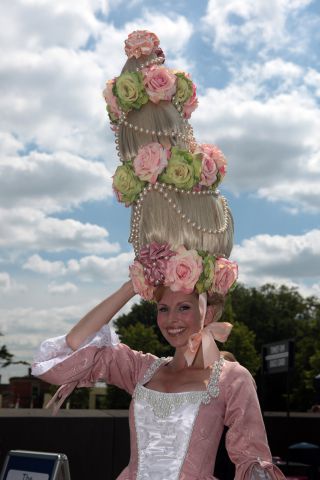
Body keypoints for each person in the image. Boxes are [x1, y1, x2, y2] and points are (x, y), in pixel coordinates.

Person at [32, 31, 285, 480]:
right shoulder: (141, 372)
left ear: (206, 308)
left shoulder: (231, 380)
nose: (170, 319)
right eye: (163, 307)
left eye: (183, 306)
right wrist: (134, 283)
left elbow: (251, 460)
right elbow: (64, 353)